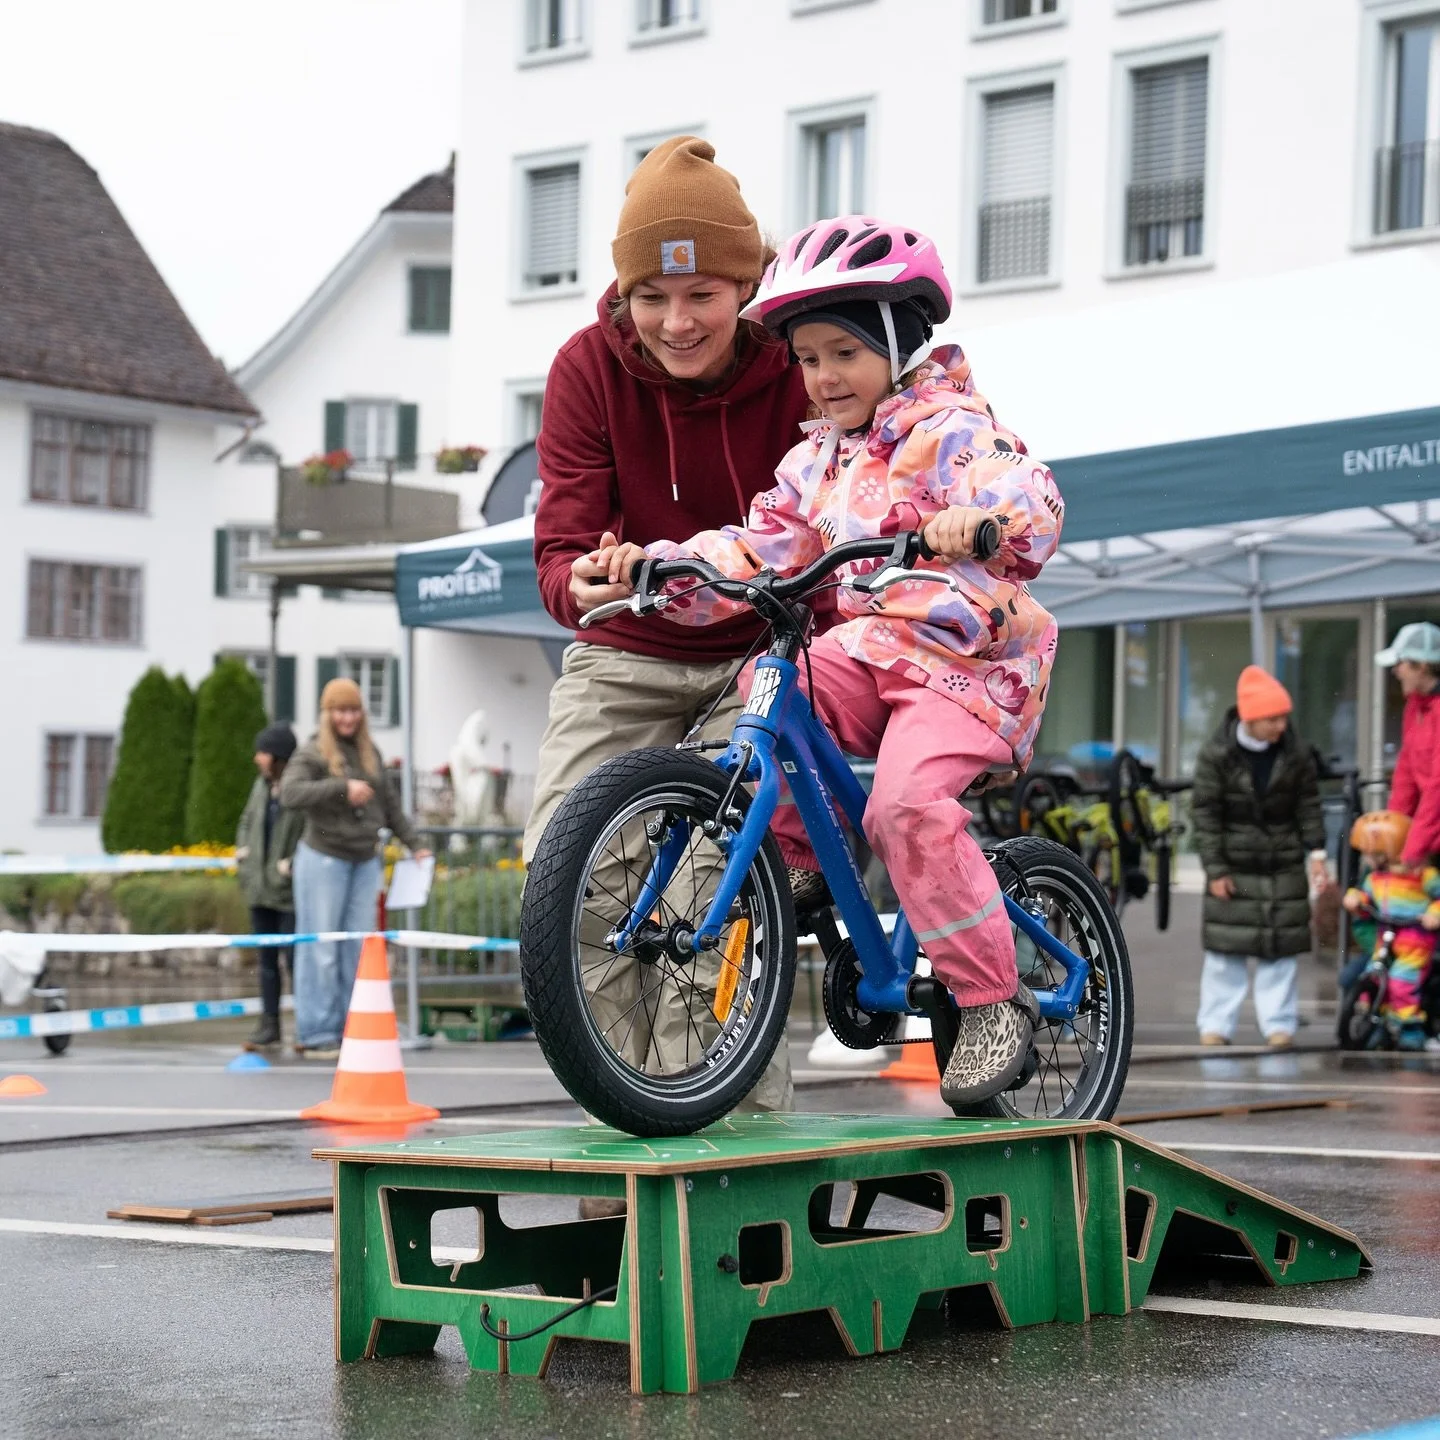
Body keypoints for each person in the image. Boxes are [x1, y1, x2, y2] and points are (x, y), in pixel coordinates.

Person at [598, 216, 1064, 1109]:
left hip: (970, 663)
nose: (823, 378)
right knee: (769, 688)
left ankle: (991, 999)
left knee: (905, 808)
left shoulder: (954, 428)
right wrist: (666, 566)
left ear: (895, 344)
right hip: (873, 645)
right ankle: (802, 859)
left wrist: (978, 522)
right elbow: (760, 546)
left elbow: (1031, 502)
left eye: (843, 354)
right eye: (808, 359)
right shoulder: (817, 459)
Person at [528, 135, 811, 1113]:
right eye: (652, 296)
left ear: (747, 284)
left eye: (703, 296)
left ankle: (742, 1155)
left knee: (715, 896)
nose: (677, 321)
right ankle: (626, 1147)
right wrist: (592, 582)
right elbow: (559, 556)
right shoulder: (585, 369)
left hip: (760, 650)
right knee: (572, 888)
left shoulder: (795, 368)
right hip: (632, 646)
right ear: (624, 294)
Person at [279, 678, 430, 1059]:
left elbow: (391, 804)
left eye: (353, 709)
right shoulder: (311, 753)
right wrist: (341, 787)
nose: (347, 717)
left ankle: (353, 1028)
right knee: (321, 950)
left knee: (358, 950)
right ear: (327, 714)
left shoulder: (370, 753)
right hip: (323, 859)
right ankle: (316, 1033)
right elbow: (289, 794)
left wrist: (416, 844)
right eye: (340, 710)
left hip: (365, 861)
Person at [1191, 665, 1328, 1048]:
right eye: (1273, 718)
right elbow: (1205, 814)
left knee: (1281, 952)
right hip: (1233, 864)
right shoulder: (1216, 755)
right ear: (1251, 717)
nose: (1281, 725)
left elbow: (1308, 806)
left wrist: (1317, 852)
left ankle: (1279, 1025)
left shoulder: (1296, 754)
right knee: (1224, 953)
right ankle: (1215, 1026)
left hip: (1283, 863)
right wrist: (1215, 869)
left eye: (1284, 717)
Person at [1343, 810, 1440, 1051]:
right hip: (1387, 935)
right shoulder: (1375, 878)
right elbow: (1366, 900)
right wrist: (1355, 900)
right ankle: (1378, 1024)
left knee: (1401, 981)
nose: (1365, 858)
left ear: (1385, 853)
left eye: (1369, 853)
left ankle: (1411, 1028)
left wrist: (1434, 914)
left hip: (1415, 939)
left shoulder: (1424, 876)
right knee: (1374, 975)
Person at [235, 724, 304, 1051]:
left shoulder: (298, 788)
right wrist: (243, 851)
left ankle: (305, 1024)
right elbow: (247, 821)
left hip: (287, 891)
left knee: (294, 959)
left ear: (278, 757)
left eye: (263, 752)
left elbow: (309, 829)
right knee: (266, 961)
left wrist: (293, 862)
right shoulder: (260, 787)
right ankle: (269, 1024)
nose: (257, 758)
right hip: (260, 887)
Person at [1378, 621, 1440, 868]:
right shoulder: (1415, 706)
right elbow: (1406, 775)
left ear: (1422, 666)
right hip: (1430, 837)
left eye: (1400, 663)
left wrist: (1412, 848)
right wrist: (1391, 836)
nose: (1395, 671)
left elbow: (1437, 786)